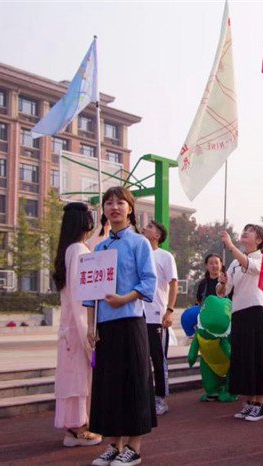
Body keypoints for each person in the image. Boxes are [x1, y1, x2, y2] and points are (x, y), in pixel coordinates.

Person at [85, 187, 158, 466]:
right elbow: (90, 292)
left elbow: (147, 282)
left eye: (120, 202)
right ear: (103, 209)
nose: (114, 207)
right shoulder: (100, 247)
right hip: (105, 326)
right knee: (108, 385)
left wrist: (123, 299)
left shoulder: (139, 243)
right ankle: (113, 444)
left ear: (130, 208)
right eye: (108, 203)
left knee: (133, 383)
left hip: (129, 321)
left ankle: (134, 447)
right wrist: (91, 326)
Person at [52, 202, 102, 448]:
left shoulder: (69, 249)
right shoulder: (78, 251)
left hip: (68, 329)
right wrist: (88, 330)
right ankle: (79, 428)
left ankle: (74, 428)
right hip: (77, 327)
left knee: (73, 377)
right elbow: (79, 296)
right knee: (79, 379)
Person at [217, 224, 263, 422]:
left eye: (250, 231)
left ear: (258, 240)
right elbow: (223, 291)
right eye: (244, 229)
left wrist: (231, 246)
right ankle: (249, 401)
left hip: (256, 312)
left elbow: (250, 266)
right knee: (243, 358)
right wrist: (222, 282)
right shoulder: (233, 263)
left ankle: (260, 403)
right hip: (238, 313)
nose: (245, 232)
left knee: (257, 357)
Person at [141, 220, 178, 416]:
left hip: (157, 315)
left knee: (158, 358)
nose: (145, 228)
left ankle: (160, 399)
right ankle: (144, 397)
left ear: (157, 236)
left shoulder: (165, 257)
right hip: (138, 315)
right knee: (141, 359)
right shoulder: (139, 253)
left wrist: (170, 310)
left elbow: (173, 284)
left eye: (150, 227)